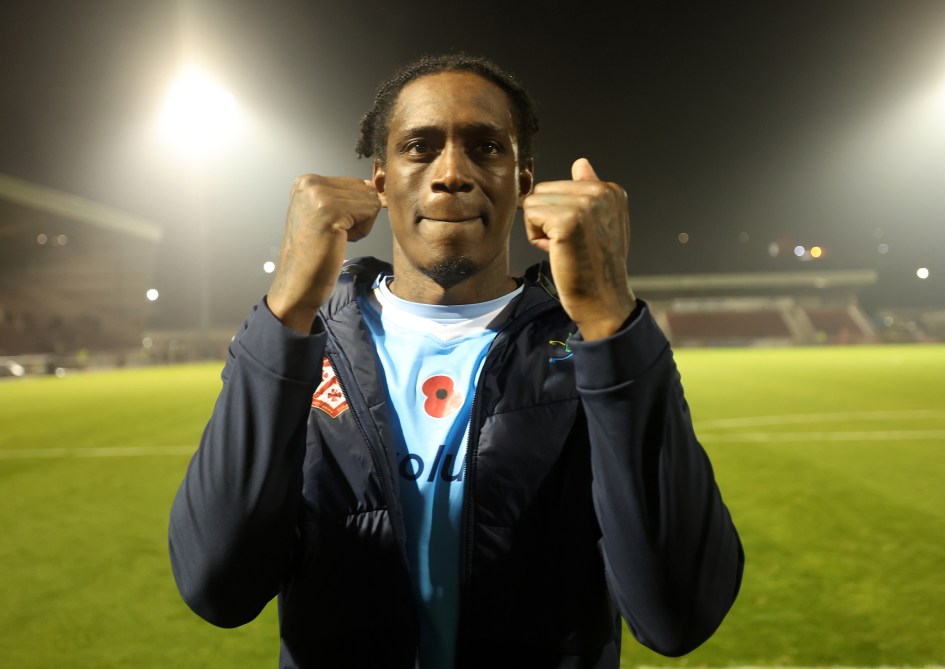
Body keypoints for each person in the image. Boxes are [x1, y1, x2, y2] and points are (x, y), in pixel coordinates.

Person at [168, 53, 744, 669]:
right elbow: (217, 587)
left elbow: (677, 614)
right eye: (418, 147)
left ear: (524, 181)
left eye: (486, 147)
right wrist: (285, 308)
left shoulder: (589, 349)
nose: (451, 173)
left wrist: (611, 322)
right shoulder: (310, 343)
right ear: (380, 181)